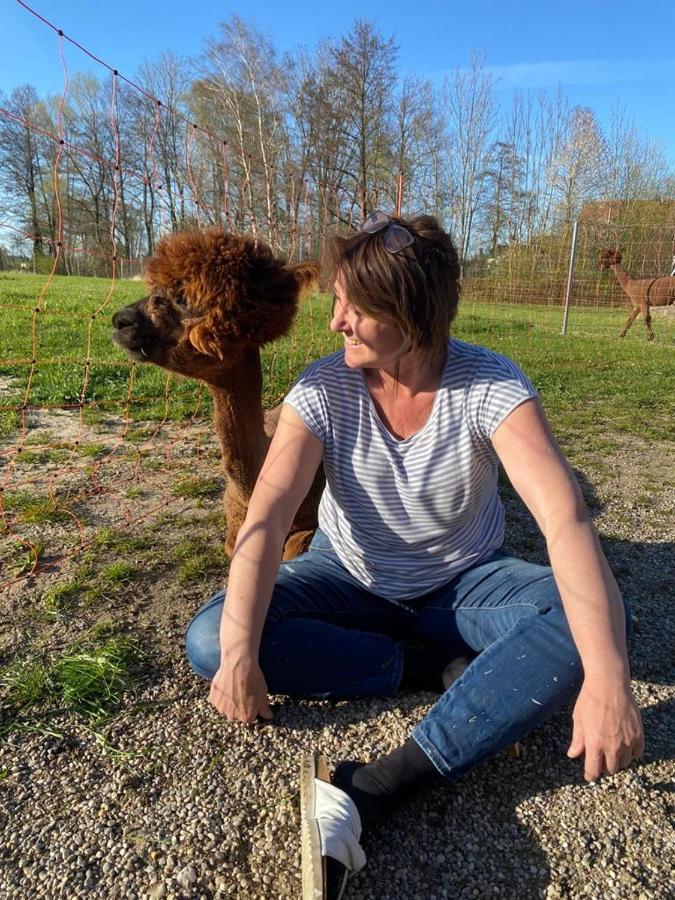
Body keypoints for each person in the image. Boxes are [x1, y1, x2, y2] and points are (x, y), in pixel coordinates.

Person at [185, 212, 644, 899]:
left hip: (463, 586)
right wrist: (242, 653)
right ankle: (430, 667)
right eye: (337, 300)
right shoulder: (322, 389)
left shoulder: (491, 387)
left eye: (354, 307)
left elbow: (566, 522)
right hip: (347, 575)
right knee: (211, 640)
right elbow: (268, 516)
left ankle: (370, 787)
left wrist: (609, 683)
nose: (334, 321)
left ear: (410, 315)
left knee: (596, 628)